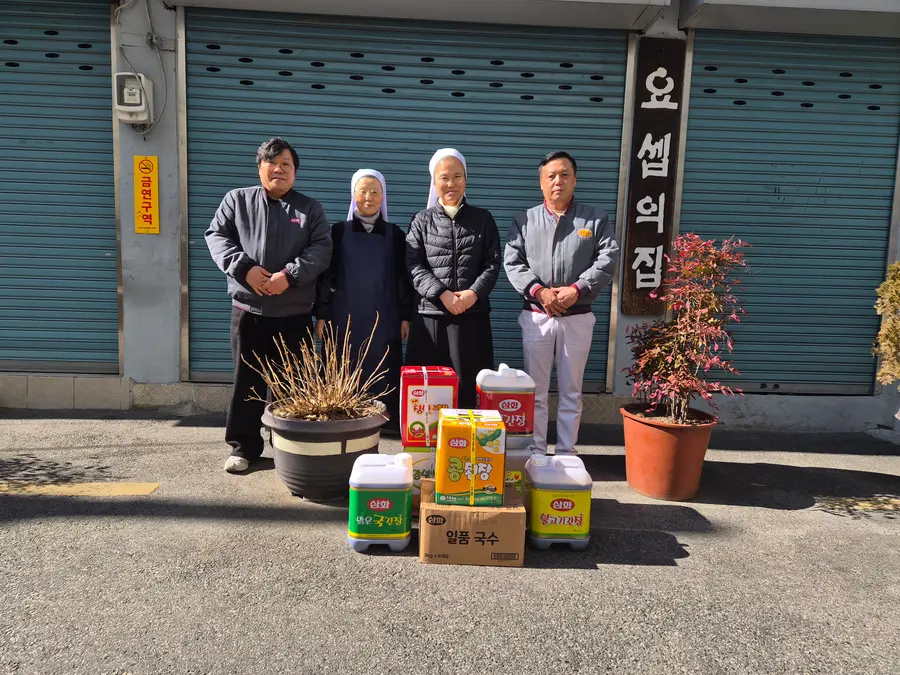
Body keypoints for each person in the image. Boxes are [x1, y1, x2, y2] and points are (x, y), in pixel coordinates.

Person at [205, 137, 332, 473]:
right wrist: (244, 268)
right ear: (260, 166)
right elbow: (217, 236)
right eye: (272, 162)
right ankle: (244, 447)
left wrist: (288, 276)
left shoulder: (310, 209)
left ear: (295, 172)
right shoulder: (237, 201)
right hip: (250, 312)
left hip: (294, 314)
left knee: (295, 383)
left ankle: (291, 447)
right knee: (246, 381)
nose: (279, 169)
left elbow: (321, 250)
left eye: (286, 164)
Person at [504, 151, 619, 455]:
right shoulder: (524, 220)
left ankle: (567, 452)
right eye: (551, 176)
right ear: (541, 183)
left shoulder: (595, 219)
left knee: (571, 390)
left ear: (574, 180)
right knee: (536, 391)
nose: (558, 181)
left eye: (565, 174)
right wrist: (539, 291)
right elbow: (512, 262)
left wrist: (578, 289)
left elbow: (608, 259)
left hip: (577, 316)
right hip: (536, 316)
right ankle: (537, 451)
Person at [313, 169, 412, 434]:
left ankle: (384, 422)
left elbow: (403, 279)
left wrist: (405, 317)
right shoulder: (338, 232)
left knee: (381, 368)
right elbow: (326, 275)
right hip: (343, 316)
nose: (368, 198)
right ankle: (341, 420)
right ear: (353, 195)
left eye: (375, 192)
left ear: (383, 197)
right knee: (342, 366)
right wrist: (321, 314)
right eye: (362, 191)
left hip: (384, 317)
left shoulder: (395, 235)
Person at [405, 148, 501, 408]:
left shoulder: (483, 219)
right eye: (444, 177)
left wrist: (473, 294)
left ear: (466, 180)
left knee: (469, 388)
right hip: (430, 318)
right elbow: (414, 265)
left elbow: (492, 264)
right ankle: (424, 446)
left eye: (458, 177)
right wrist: (442, 294)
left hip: (471, 317)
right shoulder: (421, 221)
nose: (451, 184)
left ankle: (465, 445)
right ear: (434, 182)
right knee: (427, 394)